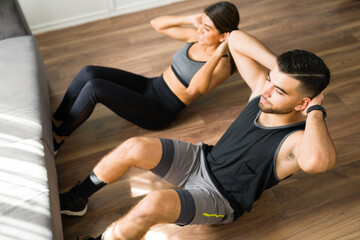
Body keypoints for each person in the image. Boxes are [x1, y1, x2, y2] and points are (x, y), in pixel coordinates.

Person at [59, 29, 336, 240]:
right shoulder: (261, 93)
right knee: (134, 146)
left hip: (220, 199)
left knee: (154, 203)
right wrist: (280, 72)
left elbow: (317, 162)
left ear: (302, 103)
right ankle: (77, 198)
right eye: (270, 81)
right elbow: (236, 38)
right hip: (202, 159)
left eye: (279, 90)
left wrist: (315, 109)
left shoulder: (295, 141)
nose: (266, 90)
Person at [51, 1, 240, 153]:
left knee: (95, 88)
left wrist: (217, 54)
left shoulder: (221, 65)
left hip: (160, 109)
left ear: (223, 36)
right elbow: (157, 24)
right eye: (202, 24)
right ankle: (58, 118)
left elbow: (193, 89)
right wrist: (190, 18)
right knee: (88, 72)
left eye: (207, 28)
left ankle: (59, 137)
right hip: (151, 85)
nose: (200, 30)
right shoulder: (196, 37)